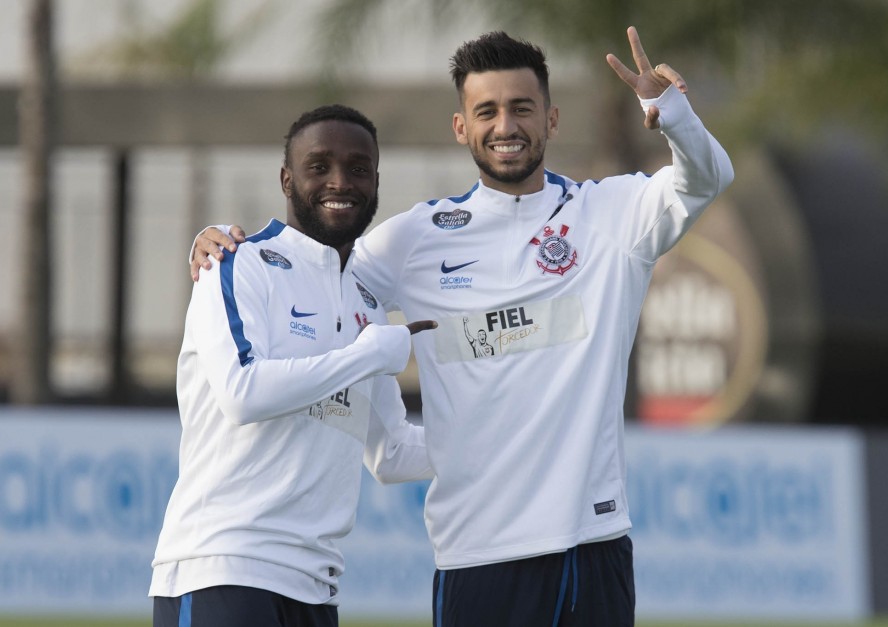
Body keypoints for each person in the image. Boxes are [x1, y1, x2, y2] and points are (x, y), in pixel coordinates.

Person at [191, 27, 733, 627]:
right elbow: (321, 270)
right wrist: (222, 245)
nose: (506, 126)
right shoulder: (414, 237)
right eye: (487, 111)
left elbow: (705, 180)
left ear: (551, 120)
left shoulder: (612, 215)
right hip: (475, 554)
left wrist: (674, 113)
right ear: (461, 127)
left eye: (522, 108)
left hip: (591, 540)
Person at [151, 104, 436, 627]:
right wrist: (366, 354)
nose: (339, 181)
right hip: (223, 569)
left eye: (357, 168)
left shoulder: (369, 303)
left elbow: (392, 451)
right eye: (319, 165)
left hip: (314, 587)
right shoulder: (236, 263)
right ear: (286, 178)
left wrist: (506, 435)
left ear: (376, 181)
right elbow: (243, 394)